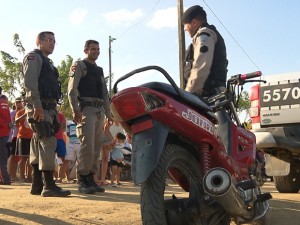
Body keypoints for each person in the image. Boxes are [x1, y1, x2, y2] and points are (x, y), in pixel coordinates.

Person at [23, 31, 70, 197]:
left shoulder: (47, 62)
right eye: (49, 40)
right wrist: (37, 106)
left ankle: (37, 185)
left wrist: (54, 110)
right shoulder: (33, 58)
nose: (52, 43)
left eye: (54, 41)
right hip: (39, 105)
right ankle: (49, 185)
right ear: (39, 41)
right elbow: (30, 83)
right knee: (48, 141)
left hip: (48, 107)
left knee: (38, 142)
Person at [68, 39, 113, 194]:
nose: (96, 51)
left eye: (98, 49)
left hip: (99, 109)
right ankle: (82, 179)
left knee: (96, 146)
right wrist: (75, 110)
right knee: (87, 145)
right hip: (86, 108)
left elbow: (105, 93)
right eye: (93, 49)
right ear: (86, 50)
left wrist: (108, 112)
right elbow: (72, 90)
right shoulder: (80, 65)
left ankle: (91, 178)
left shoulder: (99, 70)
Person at [182, 5, 228, 98]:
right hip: (209, 95)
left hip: (208, 96)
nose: (185, 29)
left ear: (194, 22)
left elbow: (201, 65)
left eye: (185, 26)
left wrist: (188, 96)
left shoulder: (204, 34)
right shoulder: (206, 34)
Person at [15, 99, 33, 182]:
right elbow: (16, 121)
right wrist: (25, 114)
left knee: (31, 158)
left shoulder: (33, 111)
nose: (25, 103)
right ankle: (22, 177)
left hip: (32, 137)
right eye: (23, 102)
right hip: (22, 137)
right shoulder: (20, 112)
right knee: (23, 158)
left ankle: (29, 176)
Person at [7, 97, 23, 181]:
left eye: (20, 102)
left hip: (21, 136)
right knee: (12, 155)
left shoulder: (23, 112)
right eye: (17, 102)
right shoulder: (12, 113)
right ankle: (9, 175)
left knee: (17, 157)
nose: (18, 104)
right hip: (13, 136)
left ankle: (14, 175)